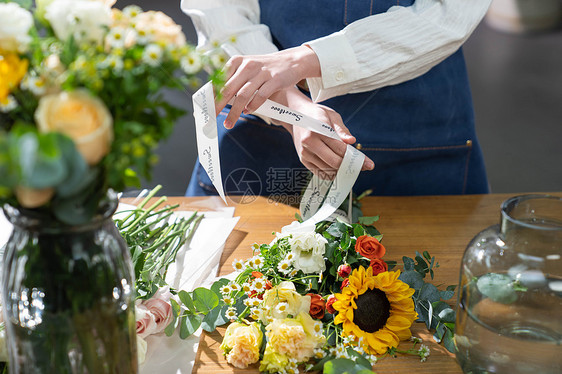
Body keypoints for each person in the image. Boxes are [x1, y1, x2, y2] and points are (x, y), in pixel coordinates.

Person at [181, 0, 491, 198]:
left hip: (415, 139)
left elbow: (450, 13)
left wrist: (301, 63)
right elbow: (217, 8)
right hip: (263, 137)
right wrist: (289, 106)